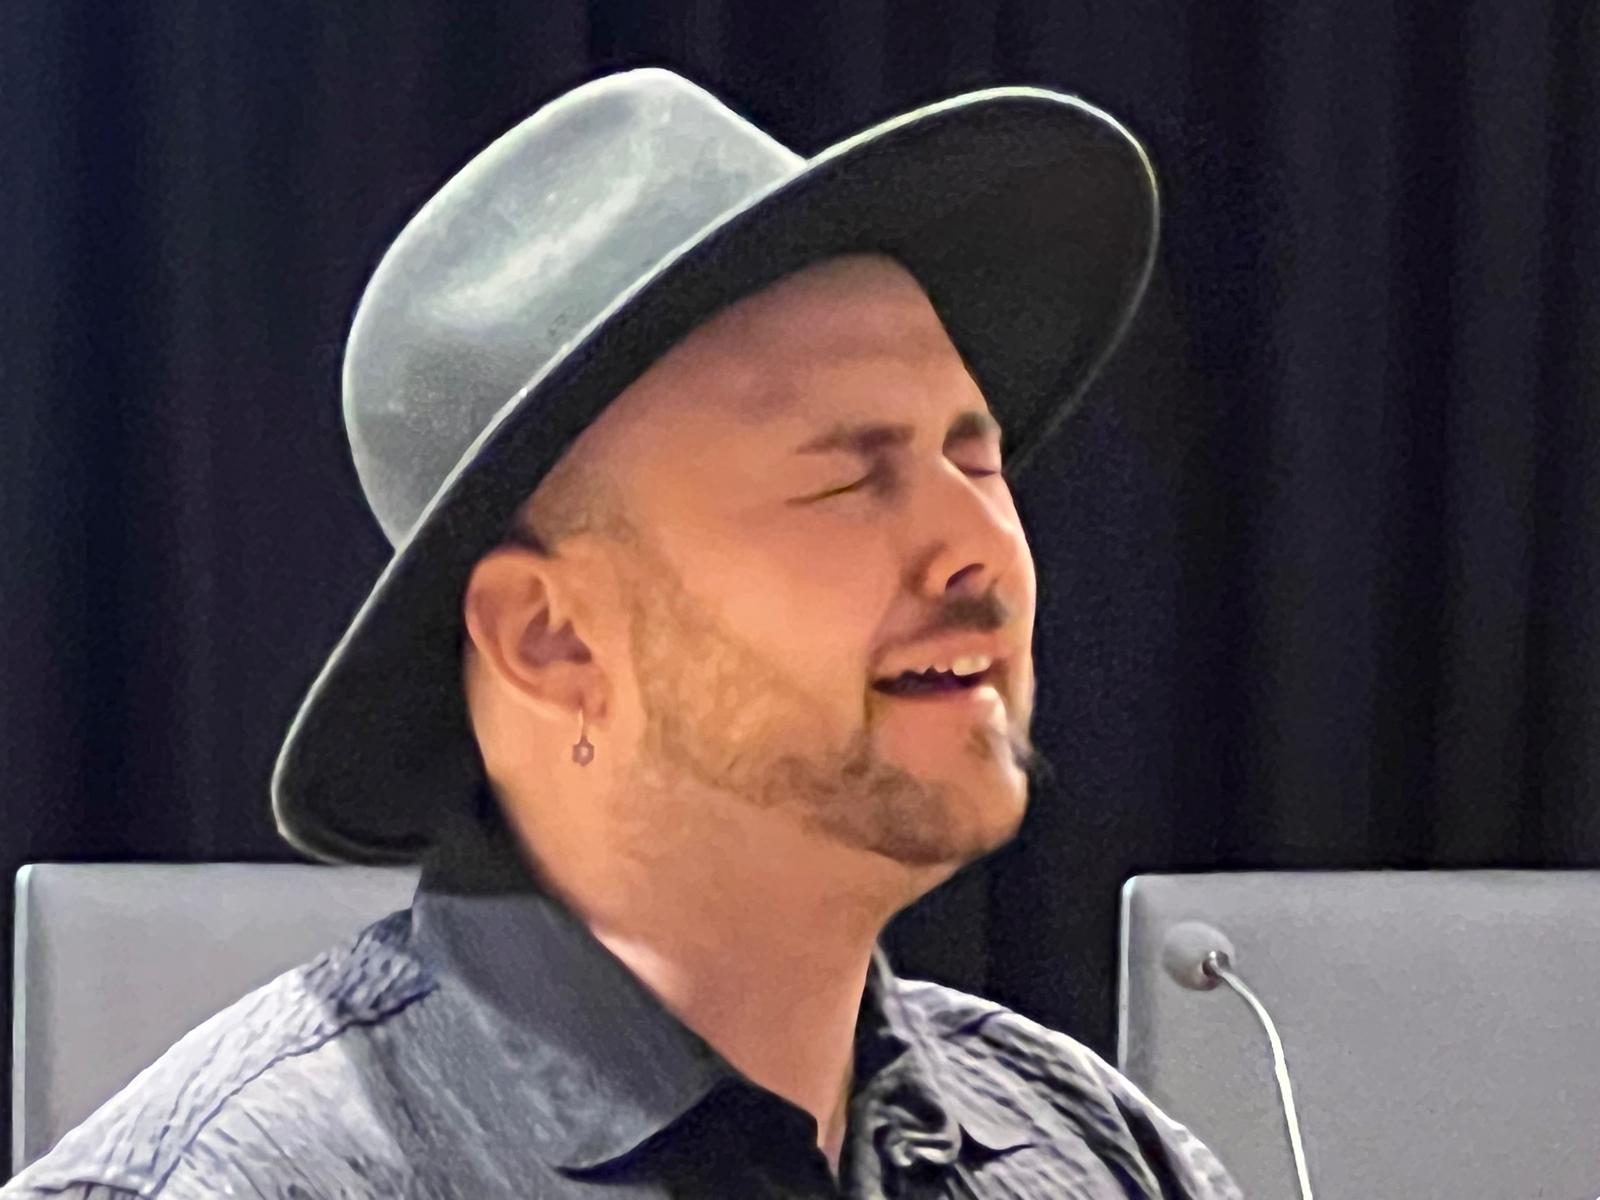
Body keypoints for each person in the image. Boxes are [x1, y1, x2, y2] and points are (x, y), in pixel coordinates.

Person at [4, 68, 1241, 1198]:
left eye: (974, 458)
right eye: (844, 475)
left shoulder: (1092, 1153)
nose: (979, 545)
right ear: (549, 640)